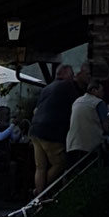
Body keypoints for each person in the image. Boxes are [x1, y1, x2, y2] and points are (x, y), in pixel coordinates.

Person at [29, 64, 78, 193]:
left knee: (40, 167)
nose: (73, 78)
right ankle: (42, 192)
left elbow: (36, 110)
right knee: (59, 163)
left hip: (35, 130)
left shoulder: (47, 88)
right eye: (71, 74)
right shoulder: (67, 86)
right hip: (51, 132)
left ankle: (38, 199)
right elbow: (76, 106)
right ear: (65, 74)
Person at [66, 78, 109, 164]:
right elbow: (106, 127)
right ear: (94, 90)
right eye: (101, 91)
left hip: (72, 143)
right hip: (90, 145)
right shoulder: (98, 103)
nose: (103, 93)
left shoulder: (77, 101)